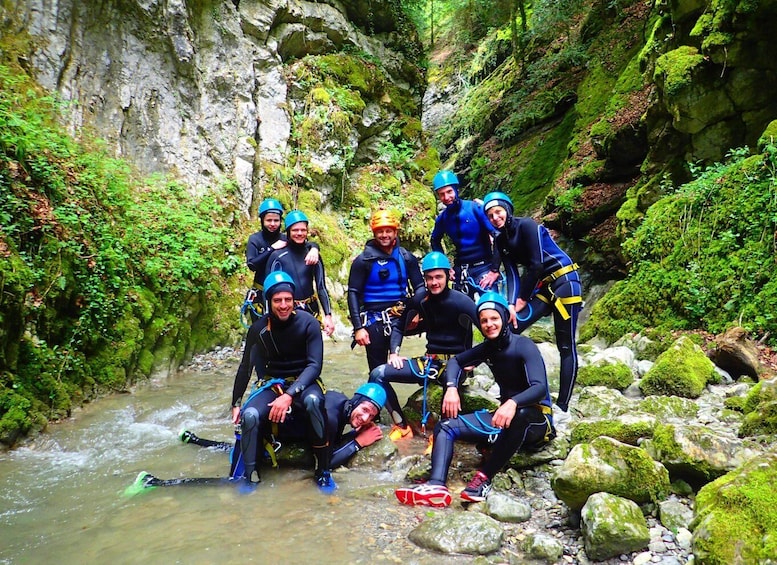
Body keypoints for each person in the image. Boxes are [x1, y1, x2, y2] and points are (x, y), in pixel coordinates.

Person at [394, 292, 554, 507]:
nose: (489, 324)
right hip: (502, 418)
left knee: (521, 415)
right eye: (484, 320)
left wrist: (513, 402)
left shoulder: (523, 345)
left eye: (494, 318)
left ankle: (484, 479)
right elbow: (455, 363)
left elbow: (540, 387)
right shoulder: (489, 348)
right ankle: (436, 485)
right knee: (446, 426)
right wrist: (451, 388)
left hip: (536, 420)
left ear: (505, 318)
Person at [130, 383, 387, 493]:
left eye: (371, 415)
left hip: (267, 433)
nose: (365, 418)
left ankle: (195, 440)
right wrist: (357, 442)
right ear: (354, 402)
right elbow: (323, 462)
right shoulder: (330, 417)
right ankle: (155, 483)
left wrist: (353, 431)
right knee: (236, 482)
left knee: (241, 450)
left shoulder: (337, 399)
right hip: (257, 430)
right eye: (364, 410)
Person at [230, 270, 332, 490]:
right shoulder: (258, 329)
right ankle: (251, 476)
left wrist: (288, 396)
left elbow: (315, 366)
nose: (284, 305)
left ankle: (323, 471)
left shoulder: (309, 324)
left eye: (288, 299)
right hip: (271, 383)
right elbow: (245, 367)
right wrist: (236, 403)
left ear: (294, 300)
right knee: (250, 415)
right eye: (277, 300)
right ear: (269, 301)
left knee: (314, 402)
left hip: (303, 382)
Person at [482, 191, 582, 413]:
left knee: (565, 346)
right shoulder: (500, 241)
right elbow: (511, 275)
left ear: (507, 210)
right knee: (509, 328)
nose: (495, 218)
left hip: (565, 280)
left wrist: (521, 299)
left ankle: (562, 407)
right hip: (543, 286)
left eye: (498, 212)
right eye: (490, 215)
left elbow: (536, 264)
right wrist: (510, 305)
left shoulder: (528, 226)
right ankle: (514, 394)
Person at [368, 251, 477, 443]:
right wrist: (394, 352)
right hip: (429, 361)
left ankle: (441, 437)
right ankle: (401, 426)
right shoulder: (420, 300)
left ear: (448, 275)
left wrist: (474, 359)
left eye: (438, 277)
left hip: (456, 363)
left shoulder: (462, 302)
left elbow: (491, 331)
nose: (434, 282)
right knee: (377, 374)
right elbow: (399, 326)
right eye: (429, 278)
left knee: (448, 391)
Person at [347, 210, 425, 372]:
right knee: (378, 370)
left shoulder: (406, 257)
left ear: (395, 232)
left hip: (403, 316)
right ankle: (375, 395)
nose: (384, 235)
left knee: (440, 318)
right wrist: (358, 328)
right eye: (380, 231)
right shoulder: (363, 261)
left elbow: (419, 286)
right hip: (375, 320)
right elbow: (353, 293)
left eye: (388, 231)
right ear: (374, 233)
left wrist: (416, 311)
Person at [244, 199, 319, 323]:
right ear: (262, 220)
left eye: (276, 220)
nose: (273, 224)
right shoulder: (255, 239)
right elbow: (252, 264)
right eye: (269, 220)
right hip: (262, 291)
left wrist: (314, 248)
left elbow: (304, 243)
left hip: (282, 294)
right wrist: (271, 249)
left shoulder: (285, 238)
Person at [430, 170, 501, 300]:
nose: (446, 197)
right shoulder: (443, 219)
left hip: (484, 266)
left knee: (492, 307)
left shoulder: (474, 208)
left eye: (449, 192)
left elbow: (497, 235)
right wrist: (446, 268)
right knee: (461, 316)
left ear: (456, 190)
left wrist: (494, 270)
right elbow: (435, 240)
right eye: (442, 194)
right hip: (460, 270)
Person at [268, 210, 335, 336]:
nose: (299, 233)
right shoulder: (277, 257)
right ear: (288, 232)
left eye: (303, 230)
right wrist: (270, 319)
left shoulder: (313, 256)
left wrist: (328, 315)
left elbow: (321, 287)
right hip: (286, 310)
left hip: (311, 310)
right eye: (295, 230)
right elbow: (270, 292)